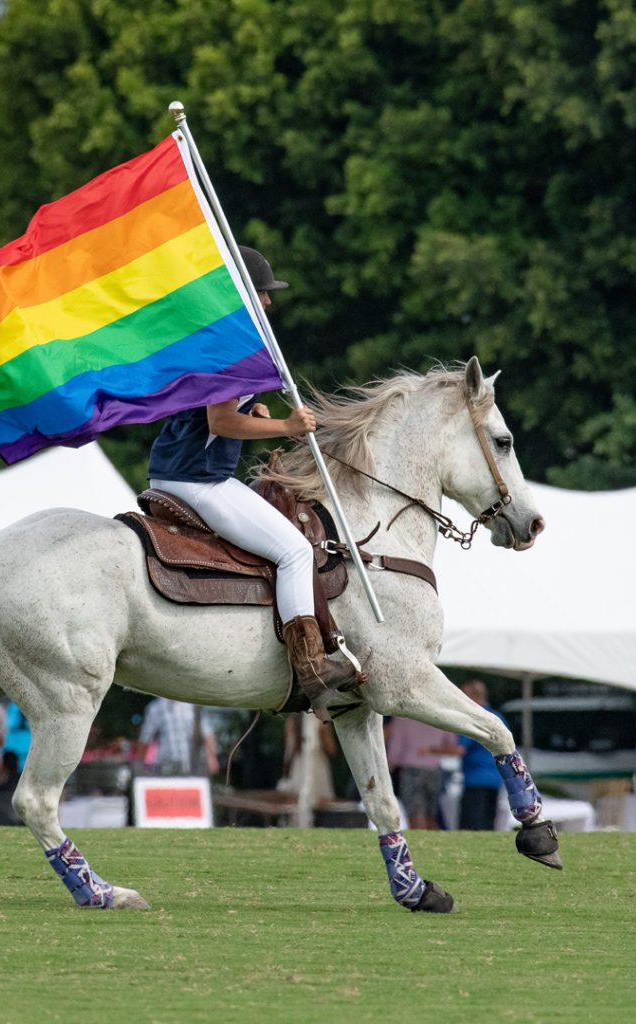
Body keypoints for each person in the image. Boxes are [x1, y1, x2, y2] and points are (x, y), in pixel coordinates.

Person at [147, 246, 356, 719]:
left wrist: (252, 410)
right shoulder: (231, 345)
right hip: (197, 480)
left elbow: (216, 413)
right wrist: (286, 427)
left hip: (183, 471)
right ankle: (312, 670)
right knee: (297, 551)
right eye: (262, 292)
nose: (268, 301)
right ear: (242, 293)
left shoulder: (220, 336)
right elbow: (219, 423)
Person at [384, 715, 457, 830]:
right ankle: (435, 844)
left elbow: (395, 750)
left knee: (415, 814)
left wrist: (388, 767)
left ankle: (420, 843)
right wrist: (432, 750)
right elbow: (452, 746)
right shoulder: (439, 716)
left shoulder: (401, 718)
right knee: (431, 815)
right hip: (434, 771)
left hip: (411, 772)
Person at [457, 680, 508, 830]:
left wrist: (432, 750)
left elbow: (460, 748)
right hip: (495, 778)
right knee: (488, 824)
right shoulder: (497, 717)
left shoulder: (474, 718)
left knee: (472, 824)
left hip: (475, 779)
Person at [137, 696, 219, 776]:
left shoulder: (193, 706)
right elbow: (145, 739)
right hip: (165, 767)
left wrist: (212, 757)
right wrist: (140, 765)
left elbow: (207, 733)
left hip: (193, 764)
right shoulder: (156, 707)